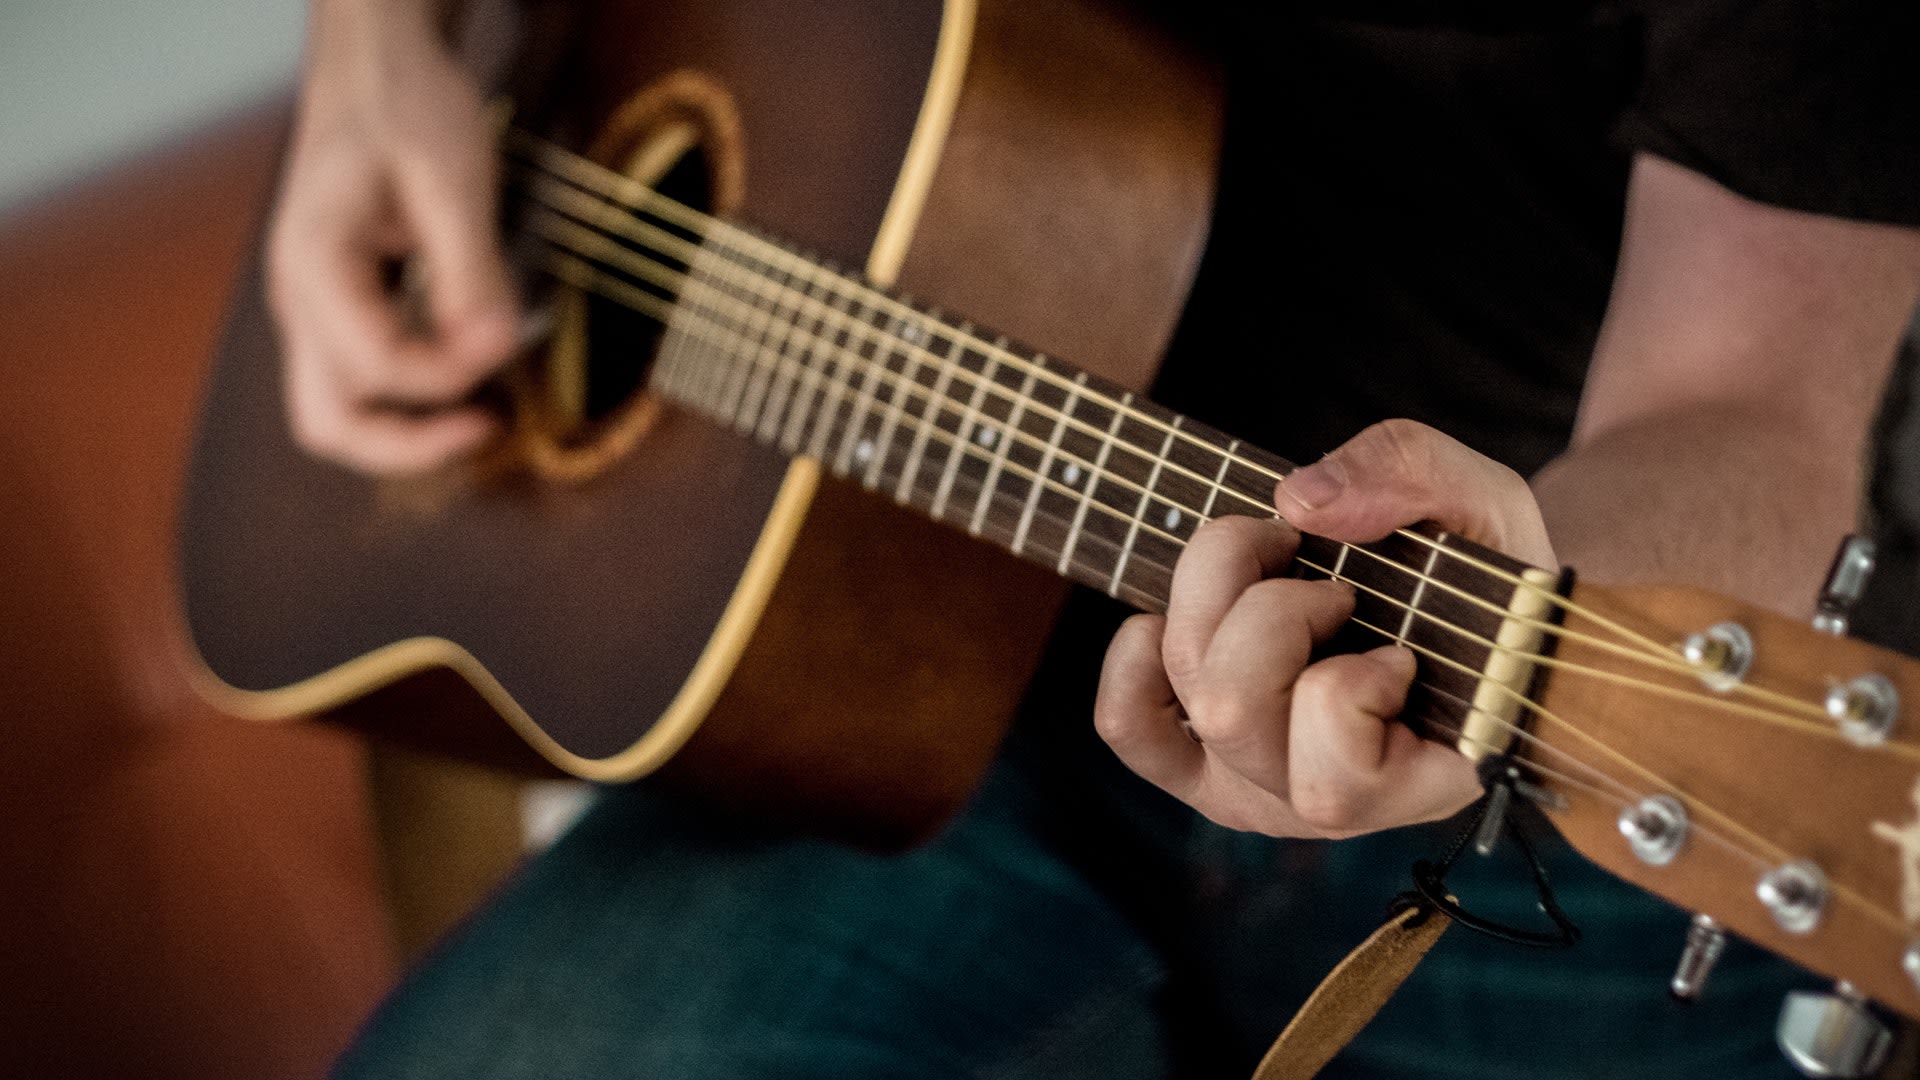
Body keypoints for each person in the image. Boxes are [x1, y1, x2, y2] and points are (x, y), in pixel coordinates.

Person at [270, 0, 1920, 1075]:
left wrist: (1534, 588)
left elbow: (1765, 397)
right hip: (884, 692)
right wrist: (374, 54)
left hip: (1547, 807)